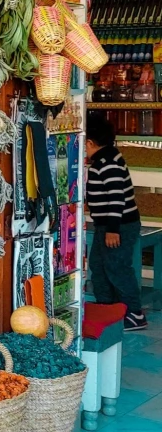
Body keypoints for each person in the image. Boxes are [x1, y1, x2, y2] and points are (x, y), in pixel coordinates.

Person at [86, 113, 146, 331]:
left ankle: (134, 313)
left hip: (119, 226)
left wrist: (112, 230)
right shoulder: (104, 159)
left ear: (90, 142)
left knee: (117, 267)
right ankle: (107, 308)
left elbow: (116, 197)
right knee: (99, 266)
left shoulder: (108, 162)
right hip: (107, 226)